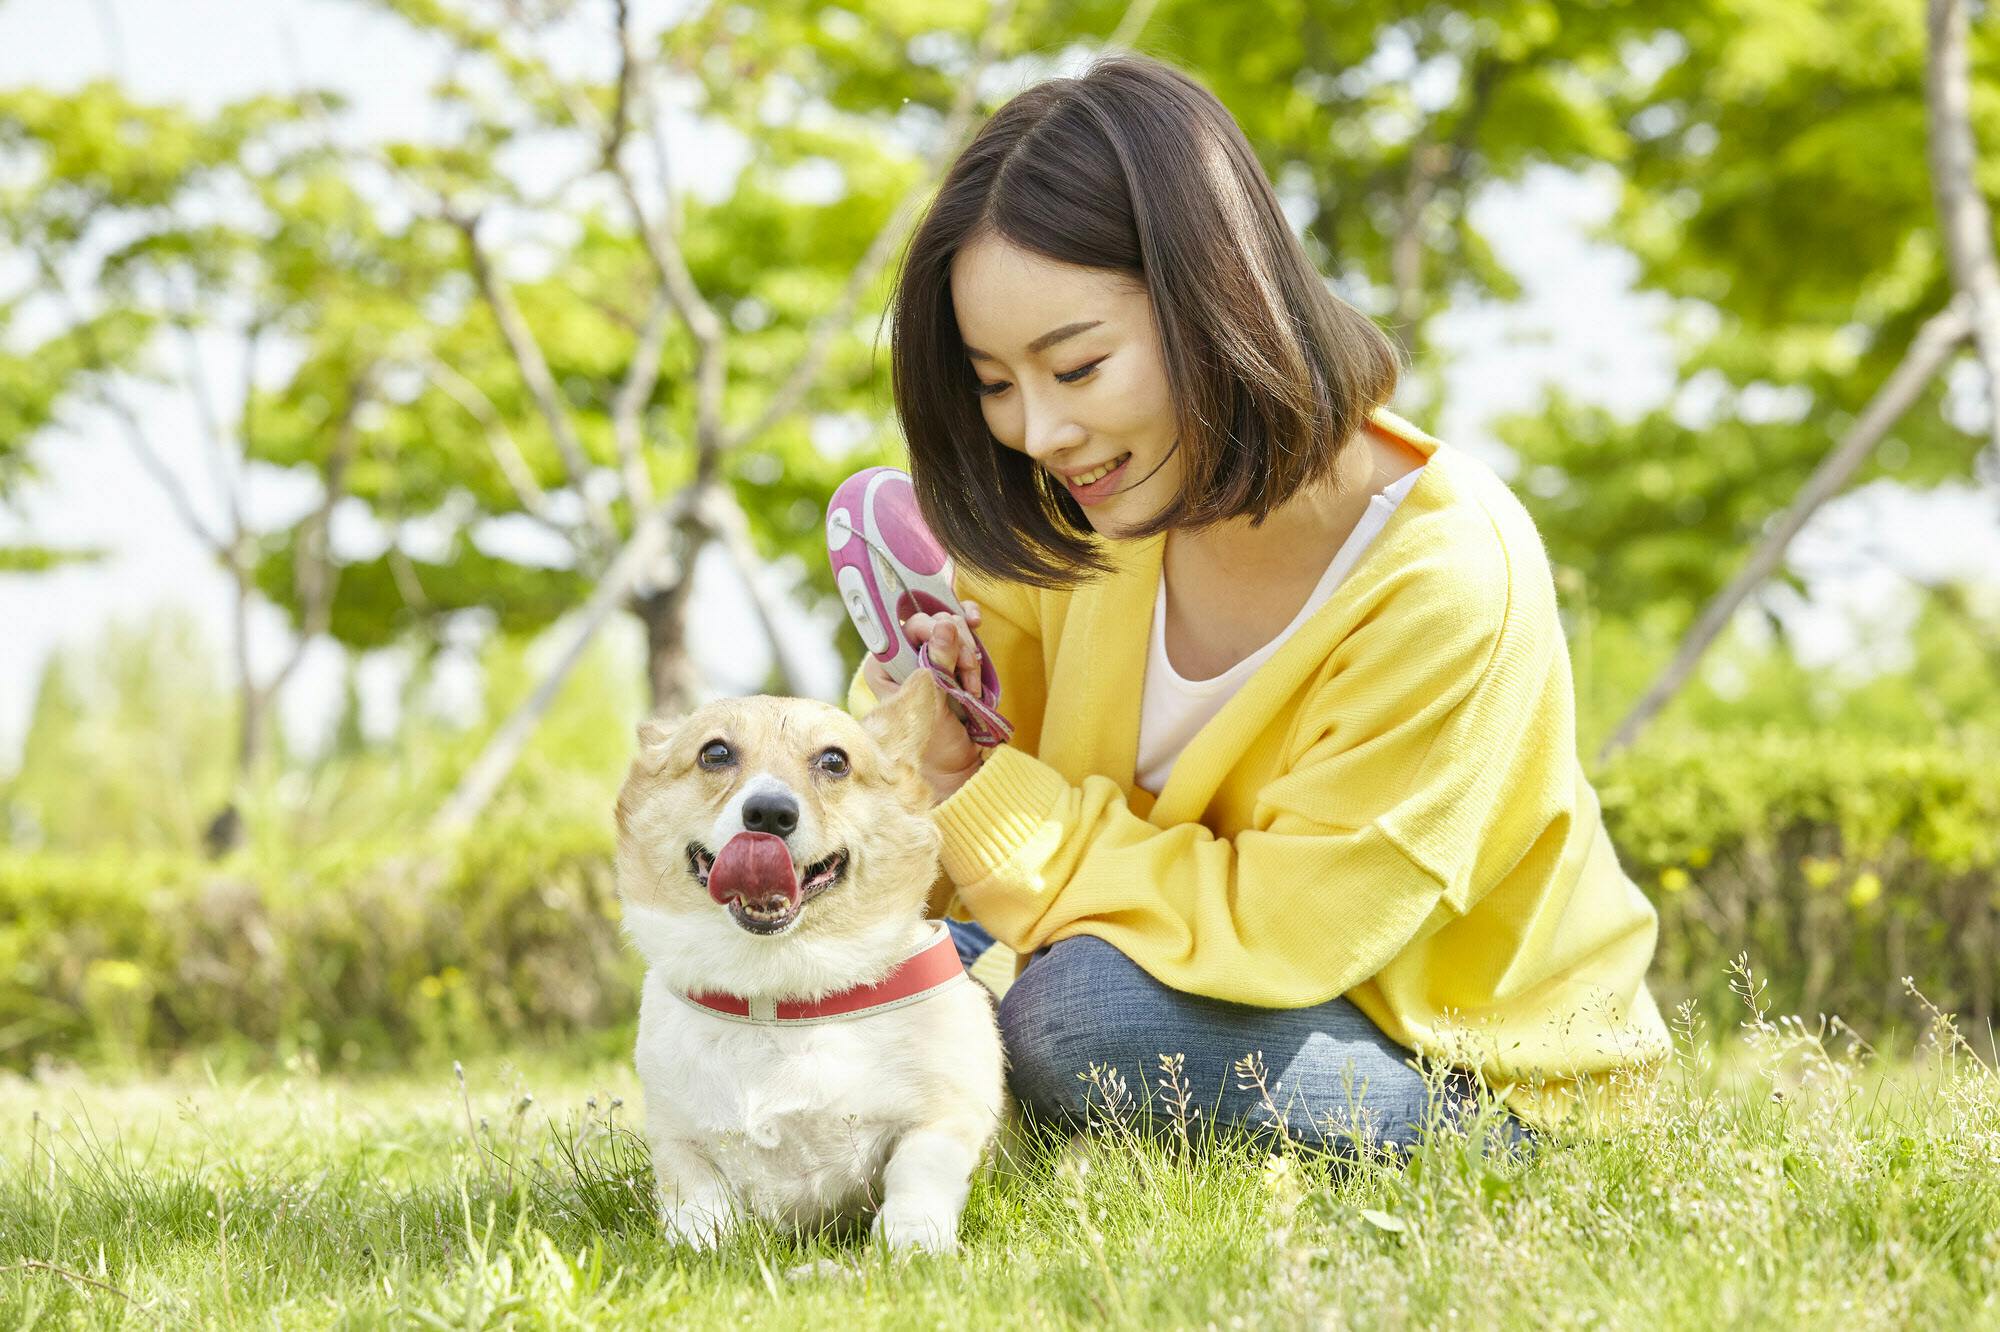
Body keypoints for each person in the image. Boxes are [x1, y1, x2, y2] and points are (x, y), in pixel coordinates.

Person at [847, 53, 1668, 1152]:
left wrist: (989, 799)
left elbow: (1282, 934)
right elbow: (951, 873)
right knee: (850, 969)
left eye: (1077, 367)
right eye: (995, 384)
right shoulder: (1083, 506)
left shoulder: (1445, 580)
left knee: (1080, 1017)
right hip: (1182, 979)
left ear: (1214, 298)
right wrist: (915, 737)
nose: (1039, 433)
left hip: (1461, 1067)